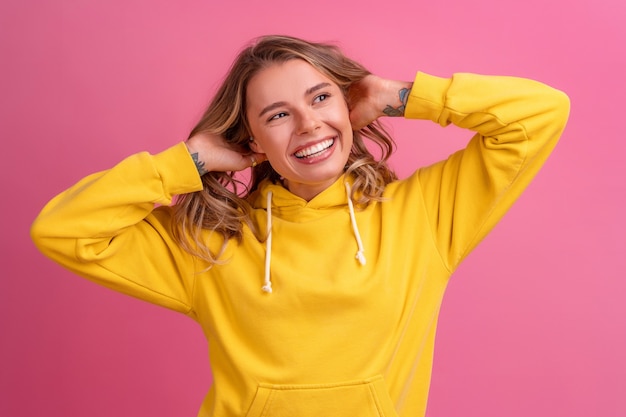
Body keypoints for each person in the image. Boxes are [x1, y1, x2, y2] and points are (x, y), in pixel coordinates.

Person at [31, 35, 570, 417]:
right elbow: (62, 229)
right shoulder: (211, 242)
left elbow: (540, 114)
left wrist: (398, 95)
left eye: (320, 98)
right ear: (250, 141)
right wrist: (186, 163)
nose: (310, 123)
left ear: (349, 105)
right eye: (278, 114)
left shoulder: (424, 214)